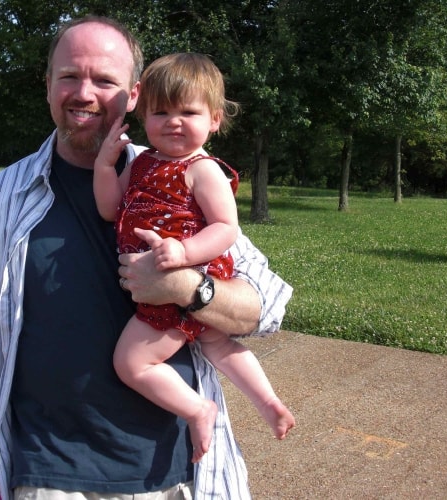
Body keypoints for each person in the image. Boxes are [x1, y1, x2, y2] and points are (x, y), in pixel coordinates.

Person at [0, 15, 293, 500]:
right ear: (47, 86)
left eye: (104, 80)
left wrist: (187, 286)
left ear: (132, 94)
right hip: (49, 476)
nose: (85, 93)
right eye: (69, 76)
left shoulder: (180, 176)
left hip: (180, 473)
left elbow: (264, 306)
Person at [93, 53, 295, 464]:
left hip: (182, 281)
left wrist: (183, 252)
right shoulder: (143, 163)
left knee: (131, 363)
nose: (173, 121)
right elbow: (109, 208)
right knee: (216, 342)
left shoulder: (203, 170)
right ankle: (266, 400)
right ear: (144, 115)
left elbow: (226, 227)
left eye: (188, 111)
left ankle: (197, 409)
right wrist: (103, 165)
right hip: (166, 282)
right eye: (161, 111)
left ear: (215, 120)